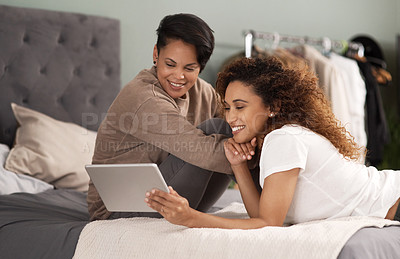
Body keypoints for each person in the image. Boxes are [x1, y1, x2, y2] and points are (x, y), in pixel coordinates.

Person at [145, 56, 400, 229]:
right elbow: (263, 216)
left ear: (273, 106)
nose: (231, 117)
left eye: (240, 107)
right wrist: (238, 165)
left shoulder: (283, 139)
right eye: (227, 107)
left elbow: (268, 224)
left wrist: (191, 217)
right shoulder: (277, 139)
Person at [87, 13, 256, 221]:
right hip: (118, 208)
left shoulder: (203, 91)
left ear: (200, 66)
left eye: (189, 68)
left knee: (230, 127)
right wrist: (264, 160)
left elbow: (239, 127)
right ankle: (269, 203)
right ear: (156, 54)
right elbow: (201, 150)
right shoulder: (143, 97)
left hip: (170, 195)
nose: (178, 76)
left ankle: (272, 205)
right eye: (170, 64)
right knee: (218, 130)